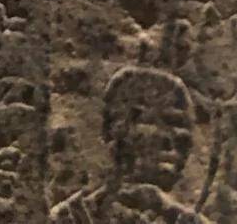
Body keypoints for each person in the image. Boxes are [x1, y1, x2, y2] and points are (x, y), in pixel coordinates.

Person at [52, 67, 211, 224]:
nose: (179, 143)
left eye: (184, 130)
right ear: (115, 131)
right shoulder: (68, 218)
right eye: (167, 122)